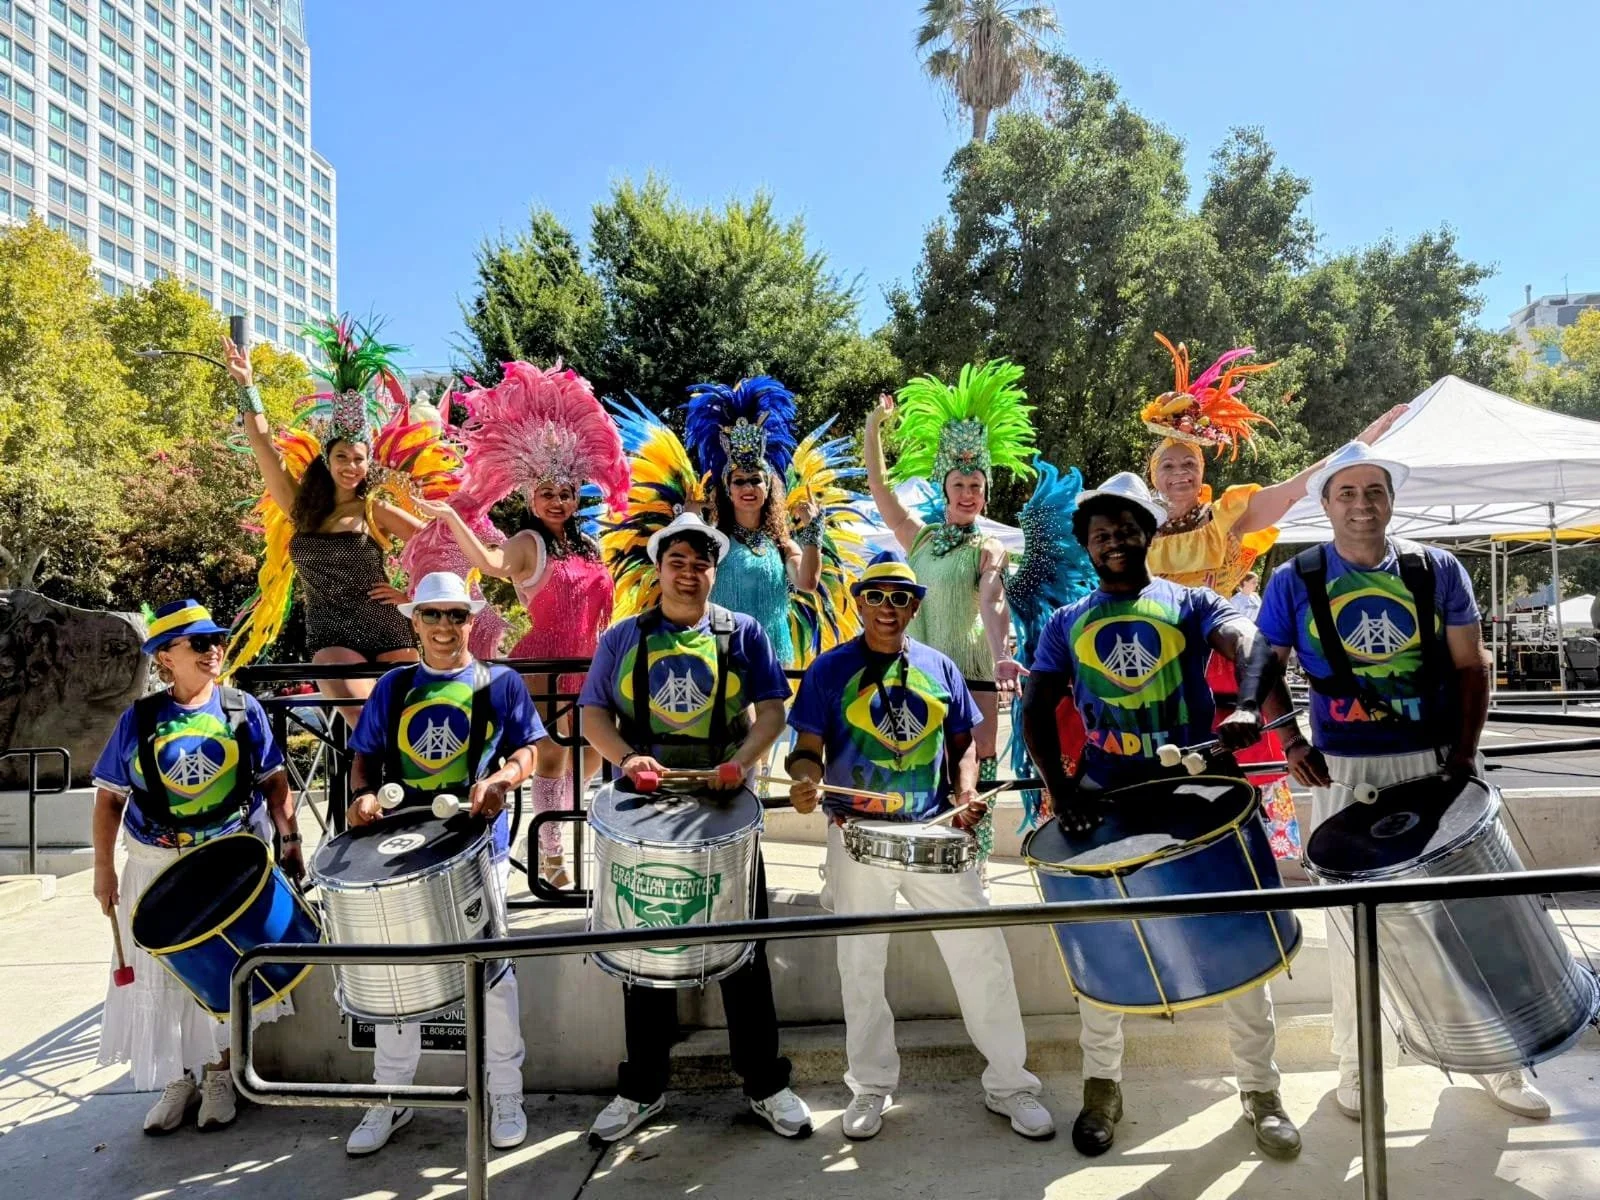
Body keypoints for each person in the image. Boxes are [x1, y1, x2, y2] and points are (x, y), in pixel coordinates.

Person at [1254, 440, 1550, 1122]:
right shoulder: (1294, 578)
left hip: (1432, 760)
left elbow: (1472, 666)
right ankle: (1357, 1070)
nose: (1362, 506)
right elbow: (1263, 668)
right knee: (1356, 929)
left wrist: (1463, 757)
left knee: (1469, 915)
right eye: (1347, 494)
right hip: (1343, 767)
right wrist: (1289, 739)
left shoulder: (1435, 568)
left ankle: (1501, 1062)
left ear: (1391, 499)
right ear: (1326, 504)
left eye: (1374, 492)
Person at [1018, 473, 1302, 1161]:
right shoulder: (1065, 622)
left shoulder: (1195, 603)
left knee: (1245, 944)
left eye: (1124, 527)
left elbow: (1253, 642)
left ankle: (1261, 1092)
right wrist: (1064, 788)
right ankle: (1102, 1088)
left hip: (1197, 793)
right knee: (1104, 949)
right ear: (1087, 547)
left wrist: (1245, 703)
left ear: (1148, 533)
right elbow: (1034, 708)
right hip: (1107, 797)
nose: (1113, 540)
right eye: (1099, 533)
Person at [786, 550, 1055, 1142]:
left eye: (900, 597)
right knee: (860, 965)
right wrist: (806, 777)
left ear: (916, 605)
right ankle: (870, 1087)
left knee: (979, 951)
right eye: (876, 595)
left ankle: (1010, 1084)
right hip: (855, 834)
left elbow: (963, 741)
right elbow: (806, 747)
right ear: (858, 602)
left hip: (935, 827)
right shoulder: (829, 670)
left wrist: (965, 789)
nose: (888, 607)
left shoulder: (941, 665)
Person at [579, 511, 813, 1144]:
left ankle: (766, 1082)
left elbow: (771, 711)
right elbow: (592, 714)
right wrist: (628, 760)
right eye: (676, 562)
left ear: (715, 570)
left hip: (725, 810)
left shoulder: (745, 633)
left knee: (744, 945)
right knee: (645, 945)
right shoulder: (623, 638)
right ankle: (642, 1088)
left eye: (700, 563)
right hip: (646, 812)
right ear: (659, 570)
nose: (688, 573)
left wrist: (741, 762)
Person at [1139, 334, 1409, 857]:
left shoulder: (1227, 516)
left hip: (1221, 656)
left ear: (1202, 469)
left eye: (1189, 463)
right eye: (1168, 465)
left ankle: (1259, 872)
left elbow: (1297, 487)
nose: (1180, 474)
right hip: (1163, 664)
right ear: (1155, 474)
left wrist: (1361, 444)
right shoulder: (1139, 530)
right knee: (1176, 779)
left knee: (1247, 772)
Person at [340, 572, 545, 1156]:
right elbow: (366, 757)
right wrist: (361, 797)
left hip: (479, 845)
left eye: (456, 615)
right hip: (403, 847)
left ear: (470, 620)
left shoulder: (499, 682)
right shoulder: (395, 686)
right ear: (414, 621)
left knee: (492, 972)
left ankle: (506, 1092)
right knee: (397, 976)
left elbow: (529, 750)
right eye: (432, 615)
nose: (444, 626)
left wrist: (502, 779)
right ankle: (391, 1096)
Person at [416, 361, 631, 889]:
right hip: (544, 665)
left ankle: (558, 844)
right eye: (547, 494)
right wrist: (451, 521)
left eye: (565, 493)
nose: (557, 502)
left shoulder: (587, 544)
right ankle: (550, 856)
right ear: (529, 497)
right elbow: (489, 566)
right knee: (552, 762)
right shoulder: (527, 543)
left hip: (590, 660)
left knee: (586, 766)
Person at [91, 599, 302, 1134]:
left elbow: (275, 782)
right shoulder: (139, 719)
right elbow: (110, 799)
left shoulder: (240, 708)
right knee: (163, 976)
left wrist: (290, 839)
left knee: (217, 971)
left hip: (224, 865)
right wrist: (103, 871)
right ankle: (176, 1078)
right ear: (165, 657)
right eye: (201, 643)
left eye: (218, 641)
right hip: (155, 864)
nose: (215, 651)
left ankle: (218, 1076)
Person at [225, 319, 467, 725]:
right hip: (330, 634)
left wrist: (412, 598)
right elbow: (263, 446)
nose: (351, 466)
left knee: (412, 719)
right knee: (363, 717)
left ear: (368, 463)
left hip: (387, 627)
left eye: (359, 458)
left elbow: (444, 547)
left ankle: (401, 789)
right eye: (342, 457)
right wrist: (247, 385)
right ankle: (373, 788)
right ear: (327, 459)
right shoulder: (301, 509)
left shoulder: (375, 509)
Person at [864, 361, 1037, 860]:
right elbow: (879, 487)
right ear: (944, 488)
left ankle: (971, 868)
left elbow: (993, 600)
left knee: (974, 777)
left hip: (973, 675)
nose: (968, 494)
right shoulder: (919, 536)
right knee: (914, 764)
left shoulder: (991, 546)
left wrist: (1003, 653)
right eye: (960, 485)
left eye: (977, 487)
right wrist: (876, 425)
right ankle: (916, 860)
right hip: (917, 671)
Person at [605, 382, 865, 670]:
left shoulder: (782, 545)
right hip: (719, 659)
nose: (748, 487)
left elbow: (807, 582)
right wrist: (687, 521)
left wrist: (813, 535)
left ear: (769, 488)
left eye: (756, 479)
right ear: (727, 490)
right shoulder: (712, 542)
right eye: (739, 481)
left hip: (772, 663)